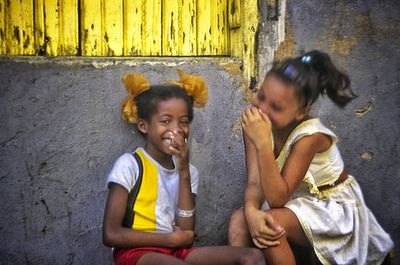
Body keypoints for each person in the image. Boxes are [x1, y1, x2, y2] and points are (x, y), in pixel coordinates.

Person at [228, 51, 394, 265]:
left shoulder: (310, 136)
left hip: (332, 208)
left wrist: (262, 144)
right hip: (295, 204)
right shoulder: (256, 124)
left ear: (301, 112)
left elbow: (278, 198)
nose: (262, 109)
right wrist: (251, 212)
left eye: (276, 107)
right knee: (239, 222)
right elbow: (254, 182)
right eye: (261, 96)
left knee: (270, 224)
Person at [102, 70, 265, 265]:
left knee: (251, 257)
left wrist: (184, 171)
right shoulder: (130, 165)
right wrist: (168, 239)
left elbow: (186, 232)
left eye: (184, 122)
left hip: (175, 251)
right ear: (144, 126)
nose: (176, 129)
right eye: (165, 121)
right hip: (136, 253)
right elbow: (110, 234)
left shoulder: (189, 171)